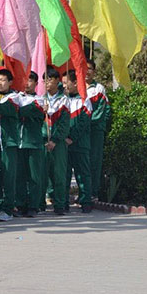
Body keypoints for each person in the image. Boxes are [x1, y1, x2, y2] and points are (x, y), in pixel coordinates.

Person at [0, 67, 20, 222]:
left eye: (2, 80)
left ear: (10, 82)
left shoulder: (15, 97)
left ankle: (8, 208)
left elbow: (4, 109)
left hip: (8, 140)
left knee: (8, 175)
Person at [16, 72, 46, 218]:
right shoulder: (16, 98)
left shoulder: (39, 100)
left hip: (33, 142)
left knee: (34, 176)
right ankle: (21, 204)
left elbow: (35, 113)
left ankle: (34, 205)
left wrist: (19, 111)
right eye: (24, 80)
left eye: (30, 80)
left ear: (35, 83)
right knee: (20, 176)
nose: (27, 83)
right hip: (18, 143)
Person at [42, 67, 71, 216]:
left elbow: (64, 123)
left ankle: (60, 204)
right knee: (42, 174)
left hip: (58, 143)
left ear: (57, 81)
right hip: (43, 142)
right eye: (45, 79)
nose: (47, 82)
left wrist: (54, 139)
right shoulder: (41, 99)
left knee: (59, 174)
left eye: (50, 79)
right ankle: (41, 203)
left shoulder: (64, 100)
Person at [64, 70, 93, 213]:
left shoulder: (84, 100)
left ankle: (86, 201)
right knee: (65, 173)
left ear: (75, 83)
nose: (64, 86)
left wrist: (72, 138)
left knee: (83, 173)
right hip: (65, 144)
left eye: (66, 83)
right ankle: (63, 201)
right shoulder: (64, 100)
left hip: (80, 144)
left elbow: (83, 123)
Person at [85, 60, 110, 200]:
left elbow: (100, 112)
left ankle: (93, 193)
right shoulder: (76, 87)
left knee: (94, 161)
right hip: (79, 132)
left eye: (89, 69)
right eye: (84, 68)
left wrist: (84, 124)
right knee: (81, 163)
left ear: (94, 71)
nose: (86, 71)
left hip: (94, 131)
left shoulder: (98, 88)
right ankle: (84, 193)